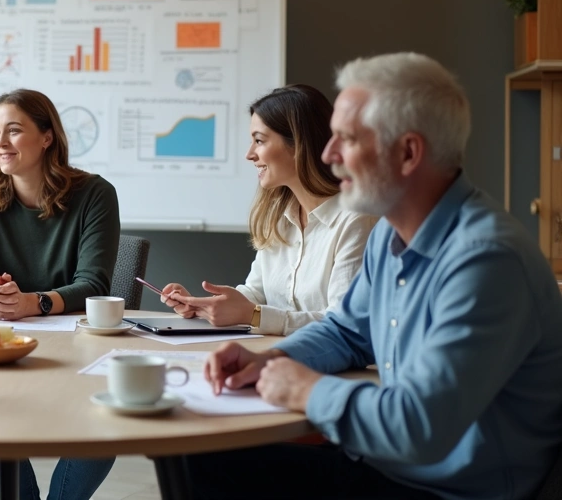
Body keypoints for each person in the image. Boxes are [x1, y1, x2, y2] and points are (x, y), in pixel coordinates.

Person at [187, 53, 562, 499]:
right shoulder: (390, 233)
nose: (327, 154)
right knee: (193, 456)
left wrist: (306, 389)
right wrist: (270, 360)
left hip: (451, 489)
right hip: (389, 468)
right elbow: (346, 332)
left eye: (345, 139)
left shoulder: (486, 261)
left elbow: (418, 426)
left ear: (407, 153)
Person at [0, 88, 121, 500]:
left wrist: (34, 302)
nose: (1, 143)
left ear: (47, 137)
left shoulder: (95, 194)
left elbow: (94, 284)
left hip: (80, 344)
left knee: (108, 422)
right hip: (4, 341)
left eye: (14, 130)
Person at [160, 85, 377, 335]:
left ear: (298, 144)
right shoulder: (278, 216)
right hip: (275, 355)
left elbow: (344, 325)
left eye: (259, 141)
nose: (249, 154)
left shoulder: (357, 220)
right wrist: (204, 306)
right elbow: (256, 294)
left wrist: (253, 315)